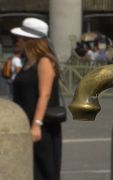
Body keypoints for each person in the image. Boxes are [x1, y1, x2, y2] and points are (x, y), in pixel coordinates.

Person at [11, 17, 62, 180]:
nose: (17, 41)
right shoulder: (28, 62)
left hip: (42, 126)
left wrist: (36, 125)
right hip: (27, 122)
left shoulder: (44, 61)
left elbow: (44, 95)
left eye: (22, 38)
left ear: (32, 41)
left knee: (43, 171)